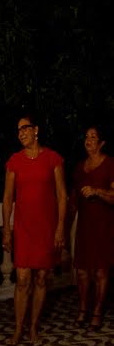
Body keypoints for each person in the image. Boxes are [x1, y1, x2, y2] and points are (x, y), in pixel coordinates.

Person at [1, 114, 67, 346]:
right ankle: (18, 329)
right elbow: (8, 198)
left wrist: (60, 228)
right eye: (18, 130)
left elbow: (62, 196)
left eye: (25, 128)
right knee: (22, 278)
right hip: (23, 228)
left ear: (36, 130)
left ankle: (34, 328)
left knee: (40, 278)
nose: (21, 133)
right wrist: (7, 230)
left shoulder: (53, 159)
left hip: (46, 228)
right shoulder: (14, 161)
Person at [67, 125, 114, 331]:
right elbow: (73, 201)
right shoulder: (79, 168)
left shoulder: (110, 164)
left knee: (101, 272)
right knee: (83, 272)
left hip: (104, 225)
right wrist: (64, 228)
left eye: (93, 137)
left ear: (101, 143)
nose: (88, 140)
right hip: (84, 226)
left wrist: (96, 191)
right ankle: (83, 309)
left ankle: (97, 311)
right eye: (86, 136)